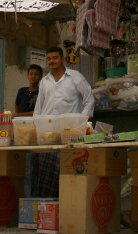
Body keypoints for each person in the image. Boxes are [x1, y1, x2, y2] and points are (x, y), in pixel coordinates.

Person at [34, 46, 94, 198]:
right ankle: (49, 211)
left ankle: (70, 208)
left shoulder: (75, 77)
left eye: (55, 58)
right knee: (46, 180)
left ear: (62, 59)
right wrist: (36, 129)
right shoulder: (44, 82)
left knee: (69, 176)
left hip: (71, 135)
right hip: (48, 136)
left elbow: (89, 99)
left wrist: (81, 122)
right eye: (49, 59)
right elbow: (38, 108)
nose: (52, 61)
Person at [14, 64, 43, 197]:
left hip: (34, 130)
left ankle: (31, 196)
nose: (33, 76)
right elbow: (17, 106)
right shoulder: (22, 91)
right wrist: (19, 118)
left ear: (40, 77)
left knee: (31, 166)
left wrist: (18, 116)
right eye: (31, 74)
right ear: (27, 76)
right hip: (21, 130)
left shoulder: (41, 93)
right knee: (24, 164)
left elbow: (37, 113)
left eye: (36, 74)